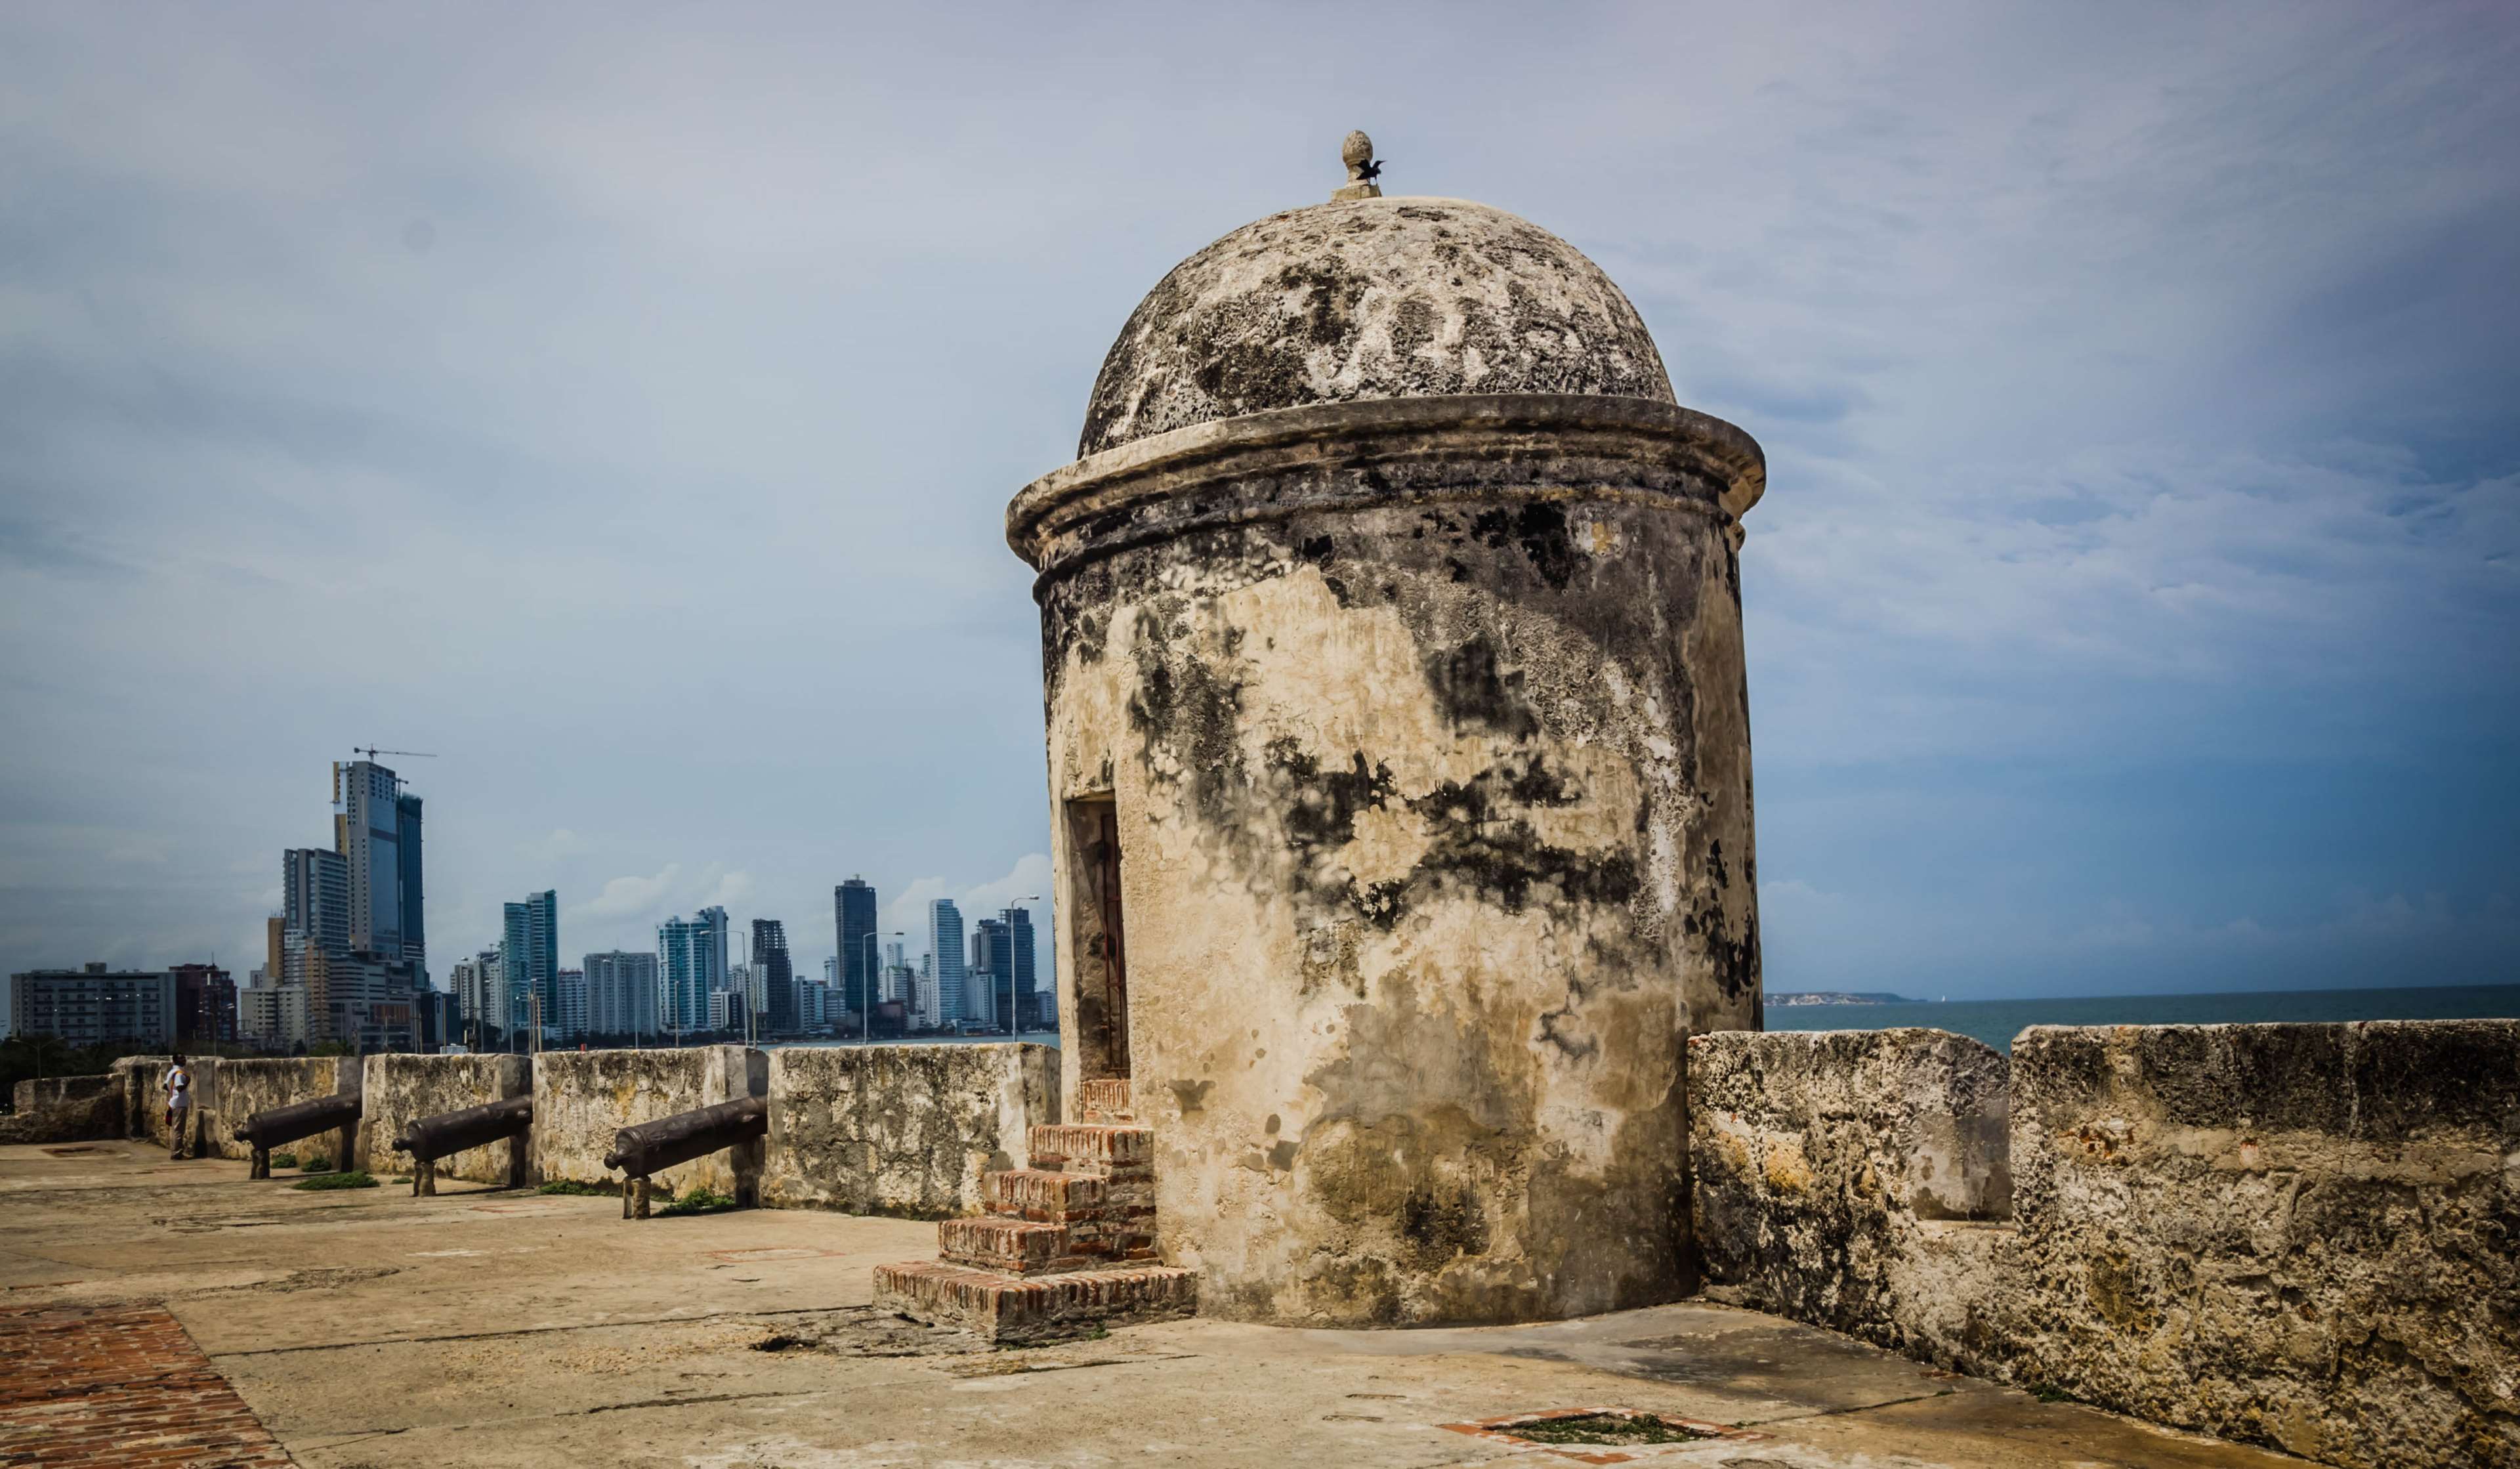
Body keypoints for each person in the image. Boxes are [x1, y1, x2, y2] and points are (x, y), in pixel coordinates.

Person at [164, 1053, 192, 1160]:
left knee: (176, 1129)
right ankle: (177, 1153)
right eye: (181, 1058)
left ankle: (176, 1151)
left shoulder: (172, 1072)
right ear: (175, 1061)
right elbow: (180, 1088)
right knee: (179, 1130)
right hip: (180, 1104)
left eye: (184, 1058)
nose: (184, 1059)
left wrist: (173, 1093)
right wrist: (188, 1082)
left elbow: (165, 1086)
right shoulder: (180, 1074)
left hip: (174, 1102)